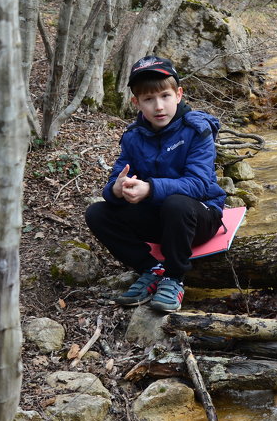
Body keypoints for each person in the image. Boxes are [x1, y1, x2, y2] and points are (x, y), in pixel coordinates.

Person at [85, 56, 227, 312]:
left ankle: (174, 277)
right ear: (136, 103)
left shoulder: (196, 130)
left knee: (176, 204)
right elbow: (116, 180)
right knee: (97, 212)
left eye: (165, 96)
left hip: (199, 218)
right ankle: (151, 269)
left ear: (179, 95)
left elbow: (199, 185)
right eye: (149, 100)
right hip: (161, 221)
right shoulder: (133, 137)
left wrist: (150, 188)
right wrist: (117, 190)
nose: (158, 106)